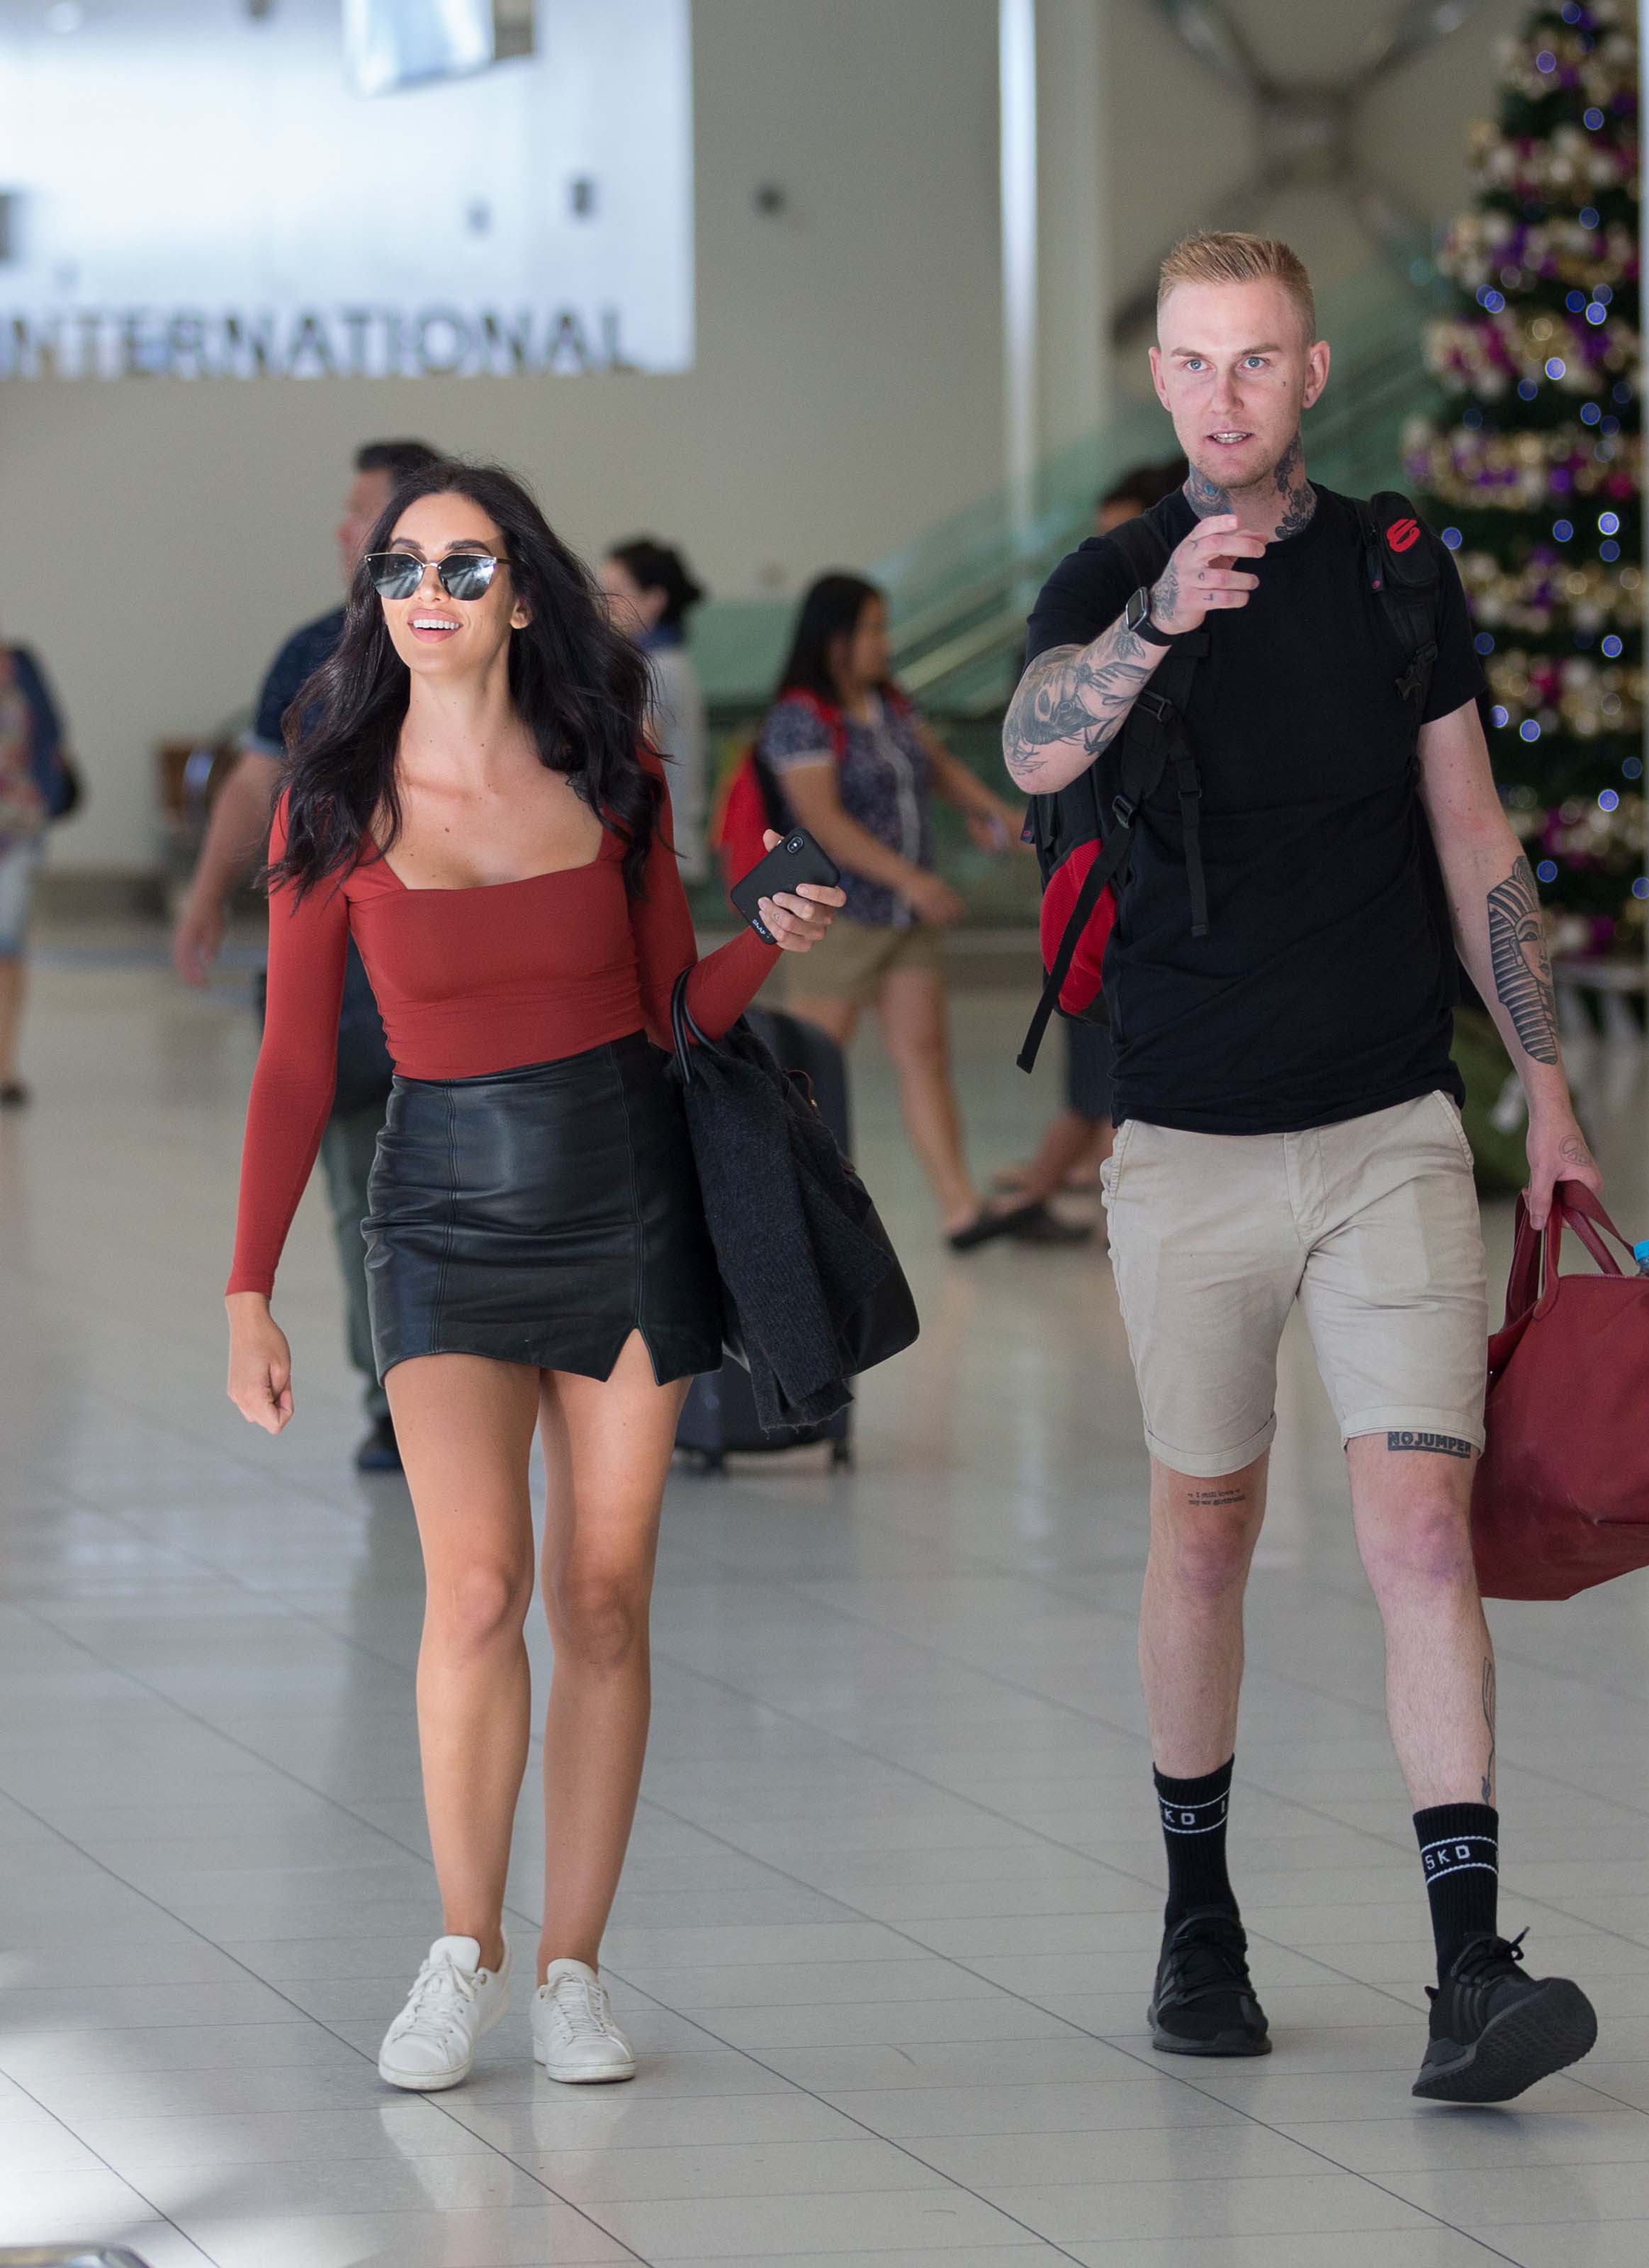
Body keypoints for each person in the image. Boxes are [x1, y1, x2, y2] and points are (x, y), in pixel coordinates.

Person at [1003, 231, 1604, 2104]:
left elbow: (1469, 831)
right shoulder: (1109, 577)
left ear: (1313, 373)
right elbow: (1034, 753)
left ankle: (1466, 1971)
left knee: (1416, 1527)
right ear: (1160, 382)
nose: (1223, 396)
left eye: (1255, 362)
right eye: (1191, 364)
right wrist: (1155, 618)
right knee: (1205, 1524)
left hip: (1385, 1134)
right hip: (1179, 1140)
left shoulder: (1394, 576)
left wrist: (1546, 1083)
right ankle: (1198, 1921)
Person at [224, 460, 842, 2094]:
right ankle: (462, 1949)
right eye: (402, 569)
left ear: (520, 589)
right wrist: (247, 1290)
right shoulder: (334, 797)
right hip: (434, 1220)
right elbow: (294, 1064)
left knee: (605, 1603)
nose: (426, 594)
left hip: (628, 1210)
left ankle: (573, 1966)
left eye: (464, 566)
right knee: (479, 1590)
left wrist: (766, 935)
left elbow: (673, 1015)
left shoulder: (615, 775)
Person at [175, 439, 443, 1471]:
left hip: (467, 988)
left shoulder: (484, 648)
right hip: (351, 990)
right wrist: (207, 894)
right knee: (361, 1196)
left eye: (363, 511)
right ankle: (393, 1393)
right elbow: (255, 786)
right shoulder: (311, 653)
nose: (345, 530)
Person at [760, 572, 1081, 1250]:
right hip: (835, 916)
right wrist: (909, 879)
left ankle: (960, 1206)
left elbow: (941, 774)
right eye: (873, 627)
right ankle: (780, 1211)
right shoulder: (799, 716)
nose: (885, 641)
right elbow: (820, 820)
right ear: (836, 636)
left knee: (925, 1056)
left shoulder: (890, 704)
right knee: (805, 1072)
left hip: (907, 920)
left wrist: (1014, 822)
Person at [996, 461, 1188, 1213]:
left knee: (1108, 1060)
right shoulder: (1082, 615)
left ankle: (1075, 1185)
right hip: (1085, 874)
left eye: (1126, 529)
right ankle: (1077, 1181)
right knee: (1089, 1035)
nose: (1108, 549)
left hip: (1147, 881)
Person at [600, 537, 710, 883]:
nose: (605, 604)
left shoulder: (653, 670)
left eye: (617, 592)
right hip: (670, 846)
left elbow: (633, 758)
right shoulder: (672, 662)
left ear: (655, 600)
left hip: (657, 851)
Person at [0, 637, 74, 1106]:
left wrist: (44, 796)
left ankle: (5, 1065)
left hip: (19, 828)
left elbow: (52, 734)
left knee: (6, 942)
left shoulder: (22, 665)